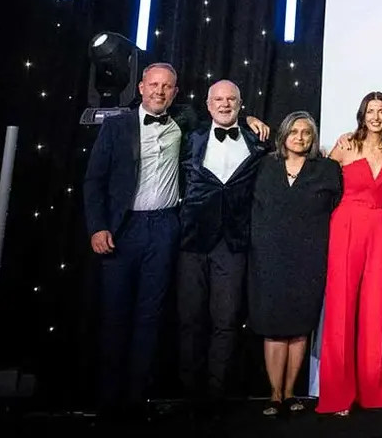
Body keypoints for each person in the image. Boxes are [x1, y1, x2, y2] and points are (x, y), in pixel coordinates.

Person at [83, 64, 266, 418]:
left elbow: (227, 115)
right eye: (154, 84)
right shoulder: (118, 125)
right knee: (115, 315)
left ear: (176, 92)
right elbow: (94, 180)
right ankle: (108, 403)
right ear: (140, 87)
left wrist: (250, 119)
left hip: (167, 228)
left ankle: (138, 401)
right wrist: (97, 226)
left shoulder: (184, 124)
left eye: (167, 87)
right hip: (122, 229)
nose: (159, 91)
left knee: (151, 317)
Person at [178, 80, 269, 411]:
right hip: (192, 242)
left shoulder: (257, 139)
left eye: (231, 99)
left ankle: (216, 396)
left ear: (241, 104)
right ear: (208, 104)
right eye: (218, 99)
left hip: (232, 243)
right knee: (190, 320)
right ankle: (190, 395)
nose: (225, 104)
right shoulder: (191, 137)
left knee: (227, 321)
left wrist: (250, 121)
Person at [248, 111, 341, 416]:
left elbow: (338, 206)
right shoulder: (264, 166)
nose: (300, 138)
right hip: (269, 256)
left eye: (306, 133)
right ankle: (275, 395)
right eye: (294, 132)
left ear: (313, 138)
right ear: (283, 135)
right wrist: (248, 119)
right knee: (274, 327)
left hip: (309, 257)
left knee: (300, 327)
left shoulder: (326, 169)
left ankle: (290, 393)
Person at [317, 92, 382, 415]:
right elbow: (318, 176)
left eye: (381, 111)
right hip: (347, 227)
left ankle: (372, 392)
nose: (375, 117)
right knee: (342, 308)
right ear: (362, 115)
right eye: (370, 111)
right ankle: (339, 394)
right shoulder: (347, 145)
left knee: (376, 309)